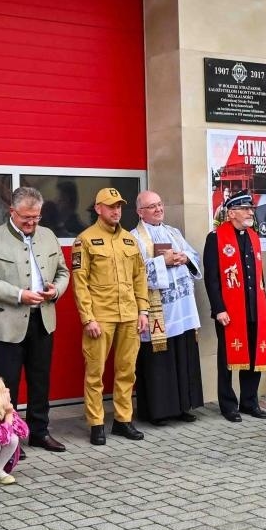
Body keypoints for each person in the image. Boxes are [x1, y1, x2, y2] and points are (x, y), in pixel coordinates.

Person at [0, 185, 70, 452]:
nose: (32, 222)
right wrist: (19, 295)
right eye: (26, 217)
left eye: (36, 217)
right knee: (7, 385)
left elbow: (63, 271)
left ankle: (39, 431)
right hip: (8, 323)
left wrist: (56, 290)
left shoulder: (49, 235)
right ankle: (8, 438)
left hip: (43, 319)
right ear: (11, 211)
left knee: (41, 380)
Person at [72, 187, 150, 445]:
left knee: (127, 371)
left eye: (119, 206)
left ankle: (122, 421)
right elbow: (80, 282)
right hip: (101, 317)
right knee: (95, 372)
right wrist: (88, 318)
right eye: (111, 206)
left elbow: (140, 278)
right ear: (98, 209)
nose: (116, 211)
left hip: (129, 315)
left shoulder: (129, 240)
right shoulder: (85, 240)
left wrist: (143, 310)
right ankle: (96, 424)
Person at [131, 190, 204, 424]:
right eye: (152, 206)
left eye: (160, 204)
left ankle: (183, 406)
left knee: (182, 352)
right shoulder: (134, 237)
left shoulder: (173, 231)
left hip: (181, 307)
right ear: (140, 212)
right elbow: (137, 272)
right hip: (157, 308)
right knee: (159, 358)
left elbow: (193, 255)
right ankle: (159, 411)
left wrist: (184, 258)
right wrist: (164, 262)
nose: (158, 209)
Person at [203, 194, 266, 423]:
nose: (251, 212)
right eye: (245, 209)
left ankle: (250, 402)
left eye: (251, 209)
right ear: (231, 213)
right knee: (227, 359)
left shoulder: (253, 236)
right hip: (230, 311)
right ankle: (228, 405)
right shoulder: (216, 238)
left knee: (254, 356)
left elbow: (258, 275)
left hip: (254, 308)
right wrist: (218, 308)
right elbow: (212, 279)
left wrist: (264, 304)